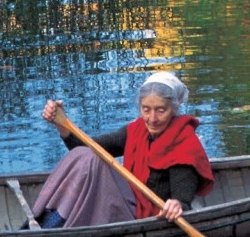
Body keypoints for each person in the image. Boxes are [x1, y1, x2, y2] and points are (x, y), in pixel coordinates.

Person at [31, 72, 215, 229]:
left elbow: (182, 198)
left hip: (150, 214)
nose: (152, 119)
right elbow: (84, 148)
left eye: (161, 110)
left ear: (173, 109)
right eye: (146, 110)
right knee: (86, 156)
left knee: (91, 159)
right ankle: (52, 219)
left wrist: (176, 204)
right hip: (131, 199)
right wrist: (62, 124)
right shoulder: (136, 131)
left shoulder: (184, 143)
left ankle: (56, 223)